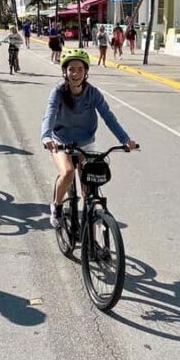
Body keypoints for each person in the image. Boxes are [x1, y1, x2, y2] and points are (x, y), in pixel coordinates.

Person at [40, 48, 137, 228]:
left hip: (86, 142)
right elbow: (50, 114)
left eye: (80, 69)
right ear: (64, 72)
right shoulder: (58, 92)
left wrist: (125, 140)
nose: (75, 73)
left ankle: (93, 244)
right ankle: (56, 206)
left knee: (89, 193)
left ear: (86, 72)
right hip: (61, 141)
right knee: (68, 172)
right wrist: (46, 137)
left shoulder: (93, 93)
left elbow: (108, 117)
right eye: (71, 69)